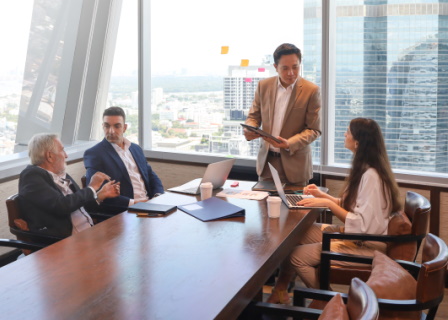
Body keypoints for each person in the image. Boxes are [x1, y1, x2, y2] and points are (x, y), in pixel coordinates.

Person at [267, 118, 401, 303]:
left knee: (295, 256)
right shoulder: (366, 169)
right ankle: (284, 293)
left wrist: (328, 205)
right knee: (295, 234)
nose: (344, 135)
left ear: (358, 142)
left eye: (348, 132)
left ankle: (331, 303)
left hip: (367, 245)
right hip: (360, 238)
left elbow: (361, 225)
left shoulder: (371, 177)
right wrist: (323, 197)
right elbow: (354, 207)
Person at [244, 43, 321, 186]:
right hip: (267, 163)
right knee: (264, 207)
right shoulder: (264, 86)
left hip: (296, 165)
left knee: (295, 207)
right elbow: (253, 117)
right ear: (275, 67)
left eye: (295, 67)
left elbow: (314, 129)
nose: (291, 72)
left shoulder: (311, 90)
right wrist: (249, 128)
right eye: (285, 68)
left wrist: (289, 143)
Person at [18, 133, 120, 238]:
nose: (66, 155)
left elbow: (80, 206)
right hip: (62, 242)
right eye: (62, 150)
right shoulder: (31, 176)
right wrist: (92, 187)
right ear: (50, 156)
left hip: (88, 233)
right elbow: (61, 206)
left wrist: (99, 195)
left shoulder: (60, 175)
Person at [84, 106, 164, 214]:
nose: (111, 131)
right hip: (125, 212)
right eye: (107, 126)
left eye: (117, 126)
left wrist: (157, 196)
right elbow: (98, 192)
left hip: (150, 205)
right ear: (103, 126)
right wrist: (136, 204)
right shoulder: (94, 154)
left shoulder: (136, 149)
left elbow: (151, 175)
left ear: (124, 128)